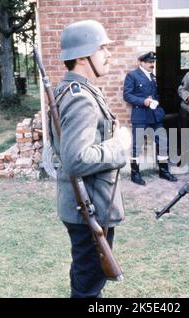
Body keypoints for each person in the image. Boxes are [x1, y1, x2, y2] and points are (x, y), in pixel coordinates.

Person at [51, 20, 127, 298]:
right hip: (89, 207)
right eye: (102, 48)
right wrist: (119, 146)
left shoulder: (75, 91)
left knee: (87, 281)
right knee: (89, 288)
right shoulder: (80, 98)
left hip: (87, 204)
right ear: (83, 57)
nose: (109, 54)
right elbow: (76, 159)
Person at [123, 51, 177, 185]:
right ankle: (135, 174)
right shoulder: (132, 75)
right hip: (140, 116)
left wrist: (156, 104)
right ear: (141, 62)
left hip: (154, 116)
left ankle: (163, 171)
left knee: (163, 141)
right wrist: (143, 101)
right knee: (137, 145)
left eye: (153, 62)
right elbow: (127, 95)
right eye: (148, 62)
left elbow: (156, 95)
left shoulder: (152, 77)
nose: (151, 64)